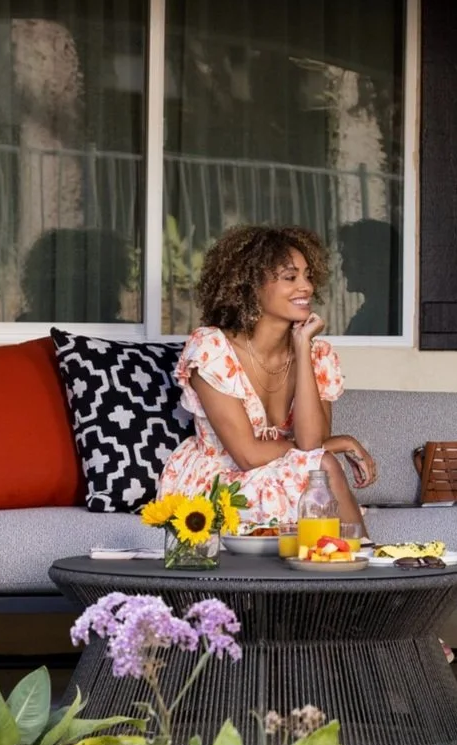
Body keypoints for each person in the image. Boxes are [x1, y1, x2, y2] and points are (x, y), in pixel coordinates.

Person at [158, 224, 378, 528]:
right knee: (322, 466)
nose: (307, 287)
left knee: (319, 468)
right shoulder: (213, 350)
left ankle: (349, 564)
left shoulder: (316, 354)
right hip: (220, 485)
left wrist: (303, 348)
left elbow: (311, 441)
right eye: (290, 277)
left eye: (308, 276)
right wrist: (337, 443)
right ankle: (363, 563)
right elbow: (247, 455)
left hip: (287, 473)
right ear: (250, 286)